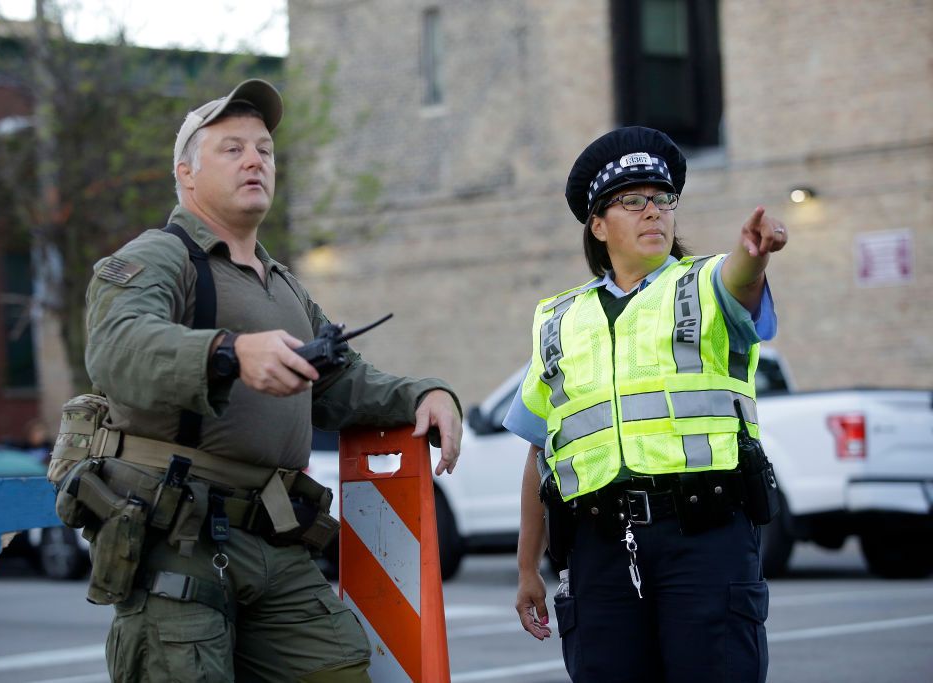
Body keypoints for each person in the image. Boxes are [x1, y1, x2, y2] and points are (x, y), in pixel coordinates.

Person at [81, 79, 462, 682]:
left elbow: (339, 385)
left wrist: (424, 394)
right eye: (232, 149)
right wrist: (229, 353)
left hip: (279, 541)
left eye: (265, 150)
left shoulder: (283, 284)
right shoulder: (158, 258)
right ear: (185, 173)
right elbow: (115, 348)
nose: (255, 159)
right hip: (181, 542)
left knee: (338, 670)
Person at [507, 126, 787, 682]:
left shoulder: (704, 284)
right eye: (632, 202)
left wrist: (755, 255)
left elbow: (740, 277)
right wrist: (525, 569)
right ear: (597, 224)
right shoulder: (559, 318)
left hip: (705, 539)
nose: (653, 211)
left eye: (663, 200)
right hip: (599, 549)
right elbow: (540, 453)